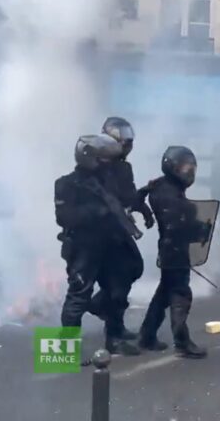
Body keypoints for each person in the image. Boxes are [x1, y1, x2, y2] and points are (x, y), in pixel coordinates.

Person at [55, 134, 141, 356]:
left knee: (116, 291)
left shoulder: (108, 180)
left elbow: (126, 198)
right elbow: (65, 217)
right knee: (78, 295)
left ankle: (114, 338)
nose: (108, 163)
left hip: (110, 245)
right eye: (104, 159)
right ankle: (65, 352)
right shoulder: (66, 184)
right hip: (84, 248)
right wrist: (97, 211)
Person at [136, 146, 212, 358]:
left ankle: (147, 335)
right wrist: (200, 230)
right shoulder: (171, 196)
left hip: (170, 249)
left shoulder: (161, 187)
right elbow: (179, 226)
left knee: (163, 296)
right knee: (180, 294)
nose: (190, 172)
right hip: (175, 251)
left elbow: (142, 195)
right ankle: (182, 341)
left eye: (192, 168)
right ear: (173, 167)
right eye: (186, 167)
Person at [89, 117, 154, 341]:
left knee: (134, 268)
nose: (127, 147)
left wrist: (144, 205)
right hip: (100, 233)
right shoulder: (96, 166)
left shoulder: (124, 168)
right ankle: (112, 332)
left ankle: (104, 311)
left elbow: (129, 197)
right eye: (123, 142)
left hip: (120, 231)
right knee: (114, 281)